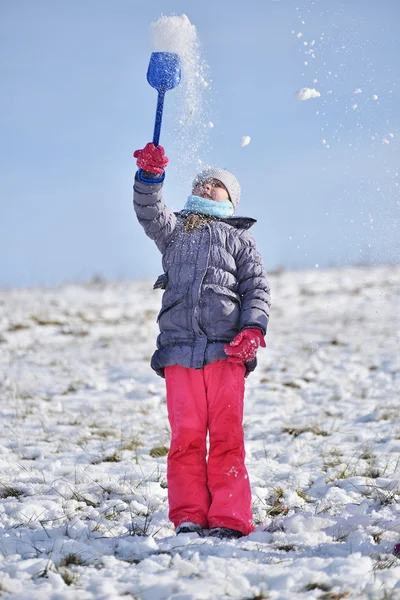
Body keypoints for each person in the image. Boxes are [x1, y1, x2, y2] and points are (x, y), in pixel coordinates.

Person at [133, 142, 271, 539]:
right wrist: (150, 177)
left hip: (226, 354)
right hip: (179, 351)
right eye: (203, 183)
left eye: (217, 184)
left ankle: (230, 517)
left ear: (231, 199)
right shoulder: (175, 230)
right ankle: (190, 515)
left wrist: (253, 328)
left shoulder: (241, 241)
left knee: (227, 437)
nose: (208, 186)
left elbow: (257, 288)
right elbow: (148, 209)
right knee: (186, 438)